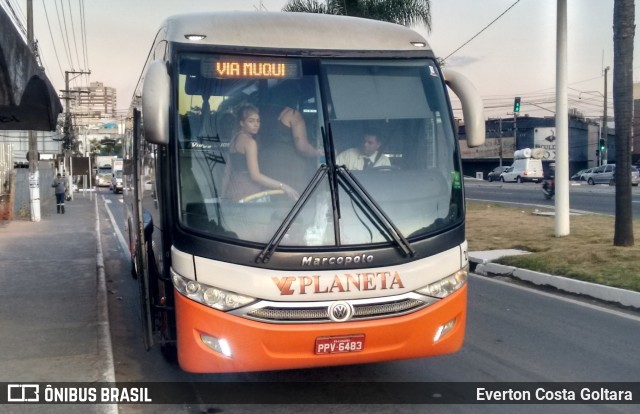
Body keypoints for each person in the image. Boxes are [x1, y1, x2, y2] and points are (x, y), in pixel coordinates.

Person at [223, 104, 299, 201]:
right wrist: (283, 186)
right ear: (242, 123)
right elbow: (255, 176)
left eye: (258, 121)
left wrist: (223, 195)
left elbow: (227, 172)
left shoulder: (234, 139)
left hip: (233, 191)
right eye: (251, 121)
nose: (256, 124)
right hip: (248, 193)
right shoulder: (250, 143)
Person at [259, 84, 323, 192]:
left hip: (267, 168)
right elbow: (302, 148)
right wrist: (318, 153)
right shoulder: (293, 115)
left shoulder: (264, 114)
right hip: (290, 170)